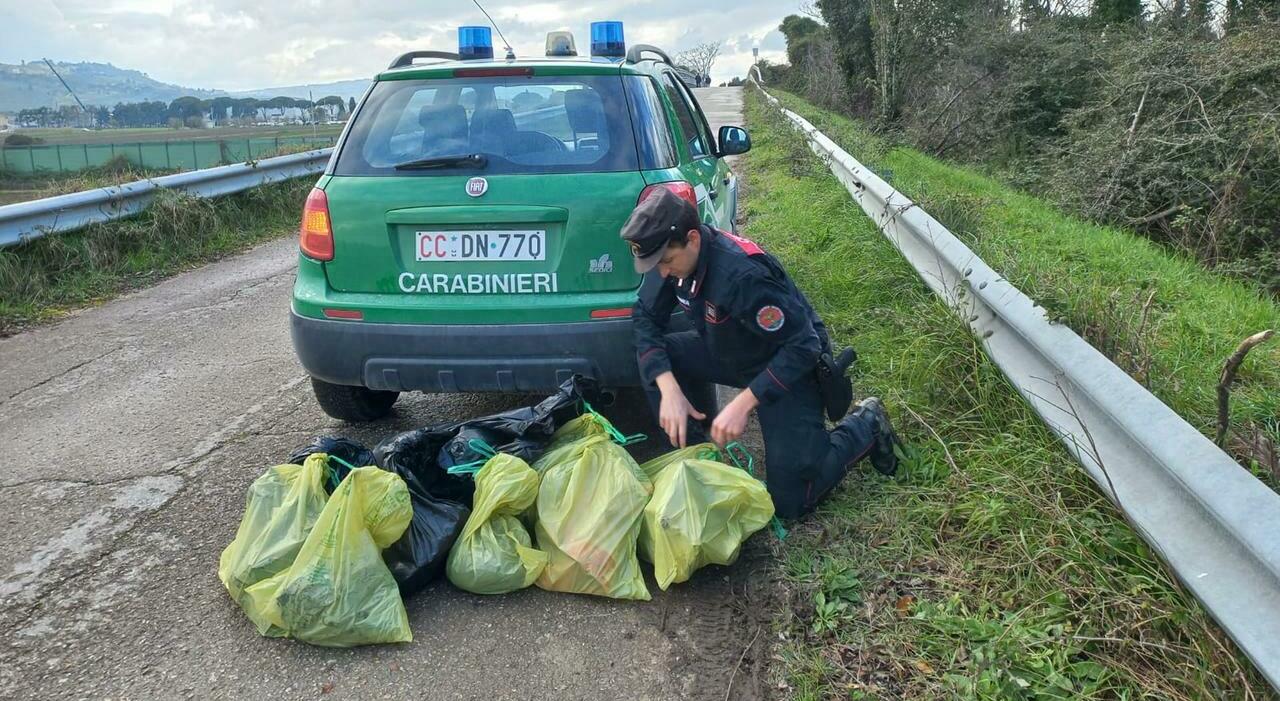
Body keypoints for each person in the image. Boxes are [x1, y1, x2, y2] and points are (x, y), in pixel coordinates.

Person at [622, 188, 903, 519]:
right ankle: (698, 462)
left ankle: (865, 426)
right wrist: (670, 389)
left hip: (786, 364)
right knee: (658, 361)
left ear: (693, 239)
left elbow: (804, 345)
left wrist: (743, 403)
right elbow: (645, 319)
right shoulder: (671, 263)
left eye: (667, 261)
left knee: (790, 501)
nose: (663, 273)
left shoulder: (741, 276)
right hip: (730, 350)